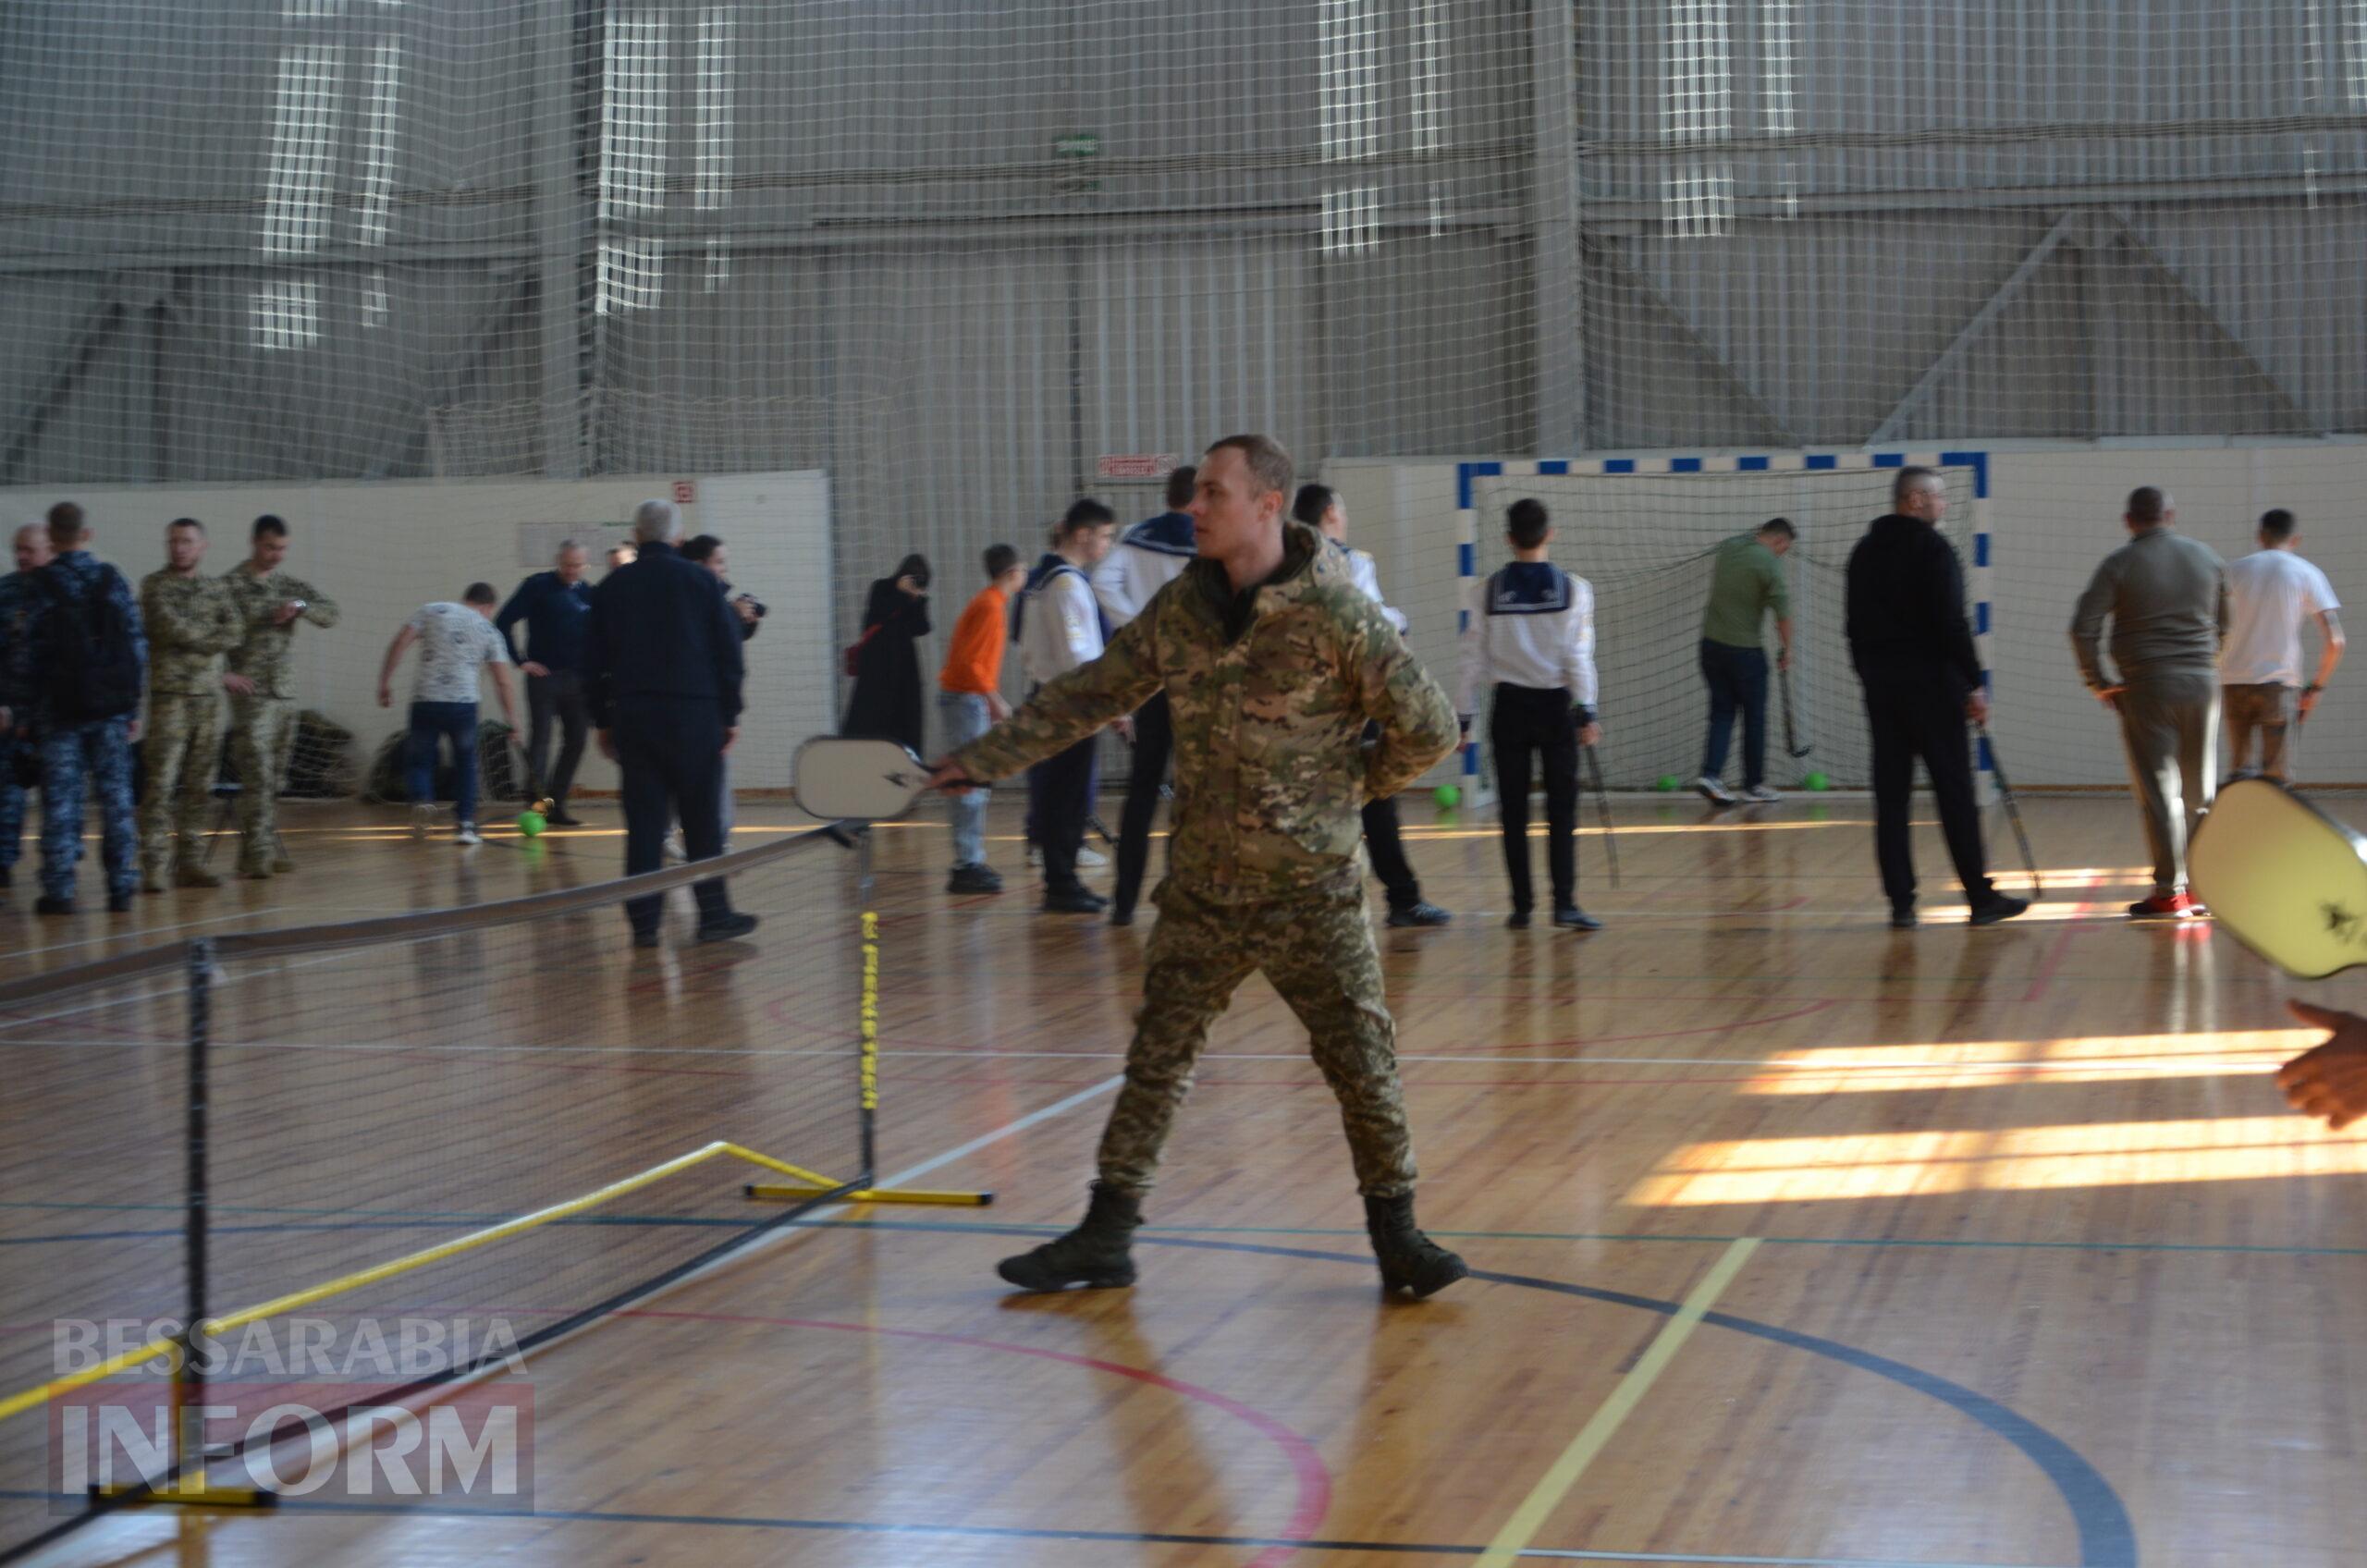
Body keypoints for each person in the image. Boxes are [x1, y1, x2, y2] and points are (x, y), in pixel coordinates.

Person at [928, 435, 1467, 1299]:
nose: (1195, 506)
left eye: (1214, 492)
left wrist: (1346, 790)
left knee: (1363, 1064)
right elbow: (1093, 691)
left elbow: (1431, 728)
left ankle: (1398, 1236)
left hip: (1311, 892)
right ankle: (1107, 1234)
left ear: (1267, 505)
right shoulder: (1183, 606)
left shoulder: (1338, 611)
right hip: (1205, 889)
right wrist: (983, 760)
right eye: (1198, 492)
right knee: (1158, 1059)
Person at [1846, 468, 2027, 930]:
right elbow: (1951, 623)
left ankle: (1901, 903)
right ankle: (1979, 897)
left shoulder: (1863, 553)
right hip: (1934, 690)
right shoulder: (1933, 549)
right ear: (1914, 499)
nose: (1943, 506)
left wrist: (1871, 677)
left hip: (1882, 692)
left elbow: (1852, 628)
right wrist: (1973, 682)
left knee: (1891, 798)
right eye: (1938, 497)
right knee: (1954, 792)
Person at [584, 498, 757, 949]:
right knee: (702, 821)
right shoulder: (702, 582)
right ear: (678, 537)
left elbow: (592, 662)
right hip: (695, 715)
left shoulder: (611, 587)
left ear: (636, 536)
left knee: (644, 825)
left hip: (635, 717)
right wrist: (730, 714)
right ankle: (714, 916)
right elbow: (729, 655)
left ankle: (644, 925)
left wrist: (603, 720)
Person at [2070, 485, 2229, 922]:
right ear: (2171, 515)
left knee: (2160, 792)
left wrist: (2099, 682)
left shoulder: (2119, 564)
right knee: (2201, 790)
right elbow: (2227, 626)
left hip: (2147, 687)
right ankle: (2201, 886)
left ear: (2129, 521)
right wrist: (2206, 663)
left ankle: (2169, 892)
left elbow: (2082, 628)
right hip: (2202, 684)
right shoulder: (2208, 558)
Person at [1296, 483, 1452, 928]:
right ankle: (1402, 899)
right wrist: (1401, 621)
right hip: (1347, 699)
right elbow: (1373, 620)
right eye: (1342, 511)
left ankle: (1303, 902)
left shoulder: (1275, 566)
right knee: (1375, 798)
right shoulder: (1352, 561)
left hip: (1295, 704)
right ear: (1330, 513)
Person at [1456, 498, 1602, 932]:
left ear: (1508, 539)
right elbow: (1578, 657)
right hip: (1556, 708)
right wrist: (1587, 710)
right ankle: (1565, 904)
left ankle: (1521, 907)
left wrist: (1463, 719)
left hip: (1510, 709)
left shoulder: (1485, 591)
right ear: (1550, 533)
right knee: (1562, 810)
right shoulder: (1574, 589)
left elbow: (1472, 660)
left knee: (1513, 812)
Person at [13, 503, 147, 914]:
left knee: (61, 801)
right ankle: (121, 886)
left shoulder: (40, 585)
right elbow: (136, 645)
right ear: (86, 534)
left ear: (51, 538)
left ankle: (60, 890)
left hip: (60, 713)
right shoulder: (111, 579)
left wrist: (24, 714)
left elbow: (27, 656)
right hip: (110, 710)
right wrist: (131, 706)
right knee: (116, 799)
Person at [1096, 466, 1197, 925]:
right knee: (1189, 794)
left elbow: (1101, 582)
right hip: (1194, 681)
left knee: (1141, 790)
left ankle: (1123, 902)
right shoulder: (1207, 538)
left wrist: (1139, 625)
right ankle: (1179, 898)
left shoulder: (1137, 535)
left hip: (1151, 680)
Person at [222, 515, 338, 879]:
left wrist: (300, 606)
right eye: (271, 547)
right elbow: (209, 633)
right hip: (251, 693)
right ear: (255, 542)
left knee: (274, 778)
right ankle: (257, 856)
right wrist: (222, 674)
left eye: (283, 549)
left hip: (284, 693)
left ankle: (259, 850)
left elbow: (330, 613)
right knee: (256, 772)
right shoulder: (230, 585)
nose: (277, 555)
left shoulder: (288, 584)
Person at [1016, 501, 1119, 914]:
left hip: (1051, 695)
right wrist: (1108, 704)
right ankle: (1060, 882)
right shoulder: (1065, 585)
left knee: (1063, 793)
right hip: (1069, 702)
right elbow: (1079, 658)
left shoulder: (1044, 580)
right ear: (1082, 534)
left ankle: (1064, 879)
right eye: (1105, 536)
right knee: (1066, 795)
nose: (1107, 544)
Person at [138, 518, 242, 890]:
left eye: (186, 541)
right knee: (161, 783)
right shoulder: (155, 585)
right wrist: (212, 638)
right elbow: (169, 628)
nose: (179, 548)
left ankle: (191, 862)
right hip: (171, 698)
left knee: (200, 784)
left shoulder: (216, 587)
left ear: (203, 546)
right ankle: (153, 865)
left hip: (208, 699)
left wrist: (200, 639)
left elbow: (236, 630)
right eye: (173, 541)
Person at [379, 584, 521, 847]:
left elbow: (400, 642)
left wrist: (385, 682)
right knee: (466, 763)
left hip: (425, 700)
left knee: (419, 760)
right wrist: (512, 719)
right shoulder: (488, 629)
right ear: (488, 607)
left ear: (466, 598)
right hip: (463, 705)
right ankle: (465, 825)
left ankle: (421, 801)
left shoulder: (432, 611)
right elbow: (503, 681)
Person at [2221, 508, 2343, 783]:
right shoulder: (2307, 572)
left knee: (2239, 776)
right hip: (2280, 685)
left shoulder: (2233, 571)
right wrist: (2316, 688)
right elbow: (2336, 641)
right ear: (2296, 539)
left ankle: (2239, 811)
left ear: (2260, 536)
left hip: (2234, 682)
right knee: (2277, 781)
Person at [938, 544, 1026, 895]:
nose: (1025, 575)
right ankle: (966, 864)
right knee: (969, 782)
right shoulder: (990, 606)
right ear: (1012, 573)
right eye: (1023, 570)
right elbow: (971, 663)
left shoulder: (990, 603)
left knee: (975, 781)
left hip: (968, 699)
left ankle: (971, 858)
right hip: (966, 700)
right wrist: (994, 700)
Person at [1696, 518, 1796, 806]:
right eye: (1784, 549)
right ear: (1779, 541)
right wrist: (1787, 649)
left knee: (1722, 712)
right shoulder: (1770, 564)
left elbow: (1749, 537)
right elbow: (1783, 614)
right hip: (1745, 653)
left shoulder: (1729, 547)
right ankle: (1754, 784)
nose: (1782, 555)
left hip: (1710, 647)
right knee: (1754, 717)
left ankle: (1711, 775)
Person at [496, 542, 595, 826]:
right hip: (544, 679)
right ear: (558, 561)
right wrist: (520, 660)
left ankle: (556, 804)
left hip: (578, 679)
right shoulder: (537, 585)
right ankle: (537, 805)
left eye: (578, 566)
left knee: (577, 741)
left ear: (585, 565)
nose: (572, 571)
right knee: (541, 740)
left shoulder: (588, 593)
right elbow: (503, 622)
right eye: (567, 565)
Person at [680, 534, 763, 840]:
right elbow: (722, 654)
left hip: (707, 702)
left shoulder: (716, 599)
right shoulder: (697, 600)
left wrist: (744, 621)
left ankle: (714, 835)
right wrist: (731, 714)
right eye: (719, 562)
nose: (724, 568)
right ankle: (712, 838)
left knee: (709, 775)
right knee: (704, 776)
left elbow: (729, 641)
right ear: (700, 564)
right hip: (701, 703)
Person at [0, 523, 57, 891]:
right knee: (7, 790)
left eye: (29, 550)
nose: (21, 556)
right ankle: (3, 862)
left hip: (57, 712)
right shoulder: (5, 591)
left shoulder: (64, 591)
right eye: (17, 549)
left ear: (49, 549)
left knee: (59, 793)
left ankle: (58, 868)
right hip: (11, 711)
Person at [842, 553, 931, 756]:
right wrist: (900, 592)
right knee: (871, 711)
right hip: (878, 661)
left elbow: (922, 628)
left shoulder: (916, 598)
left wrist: (918, 600)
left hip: (904, 664)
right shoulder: (882, 587)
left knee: (905, 712)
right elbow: (875, 616)